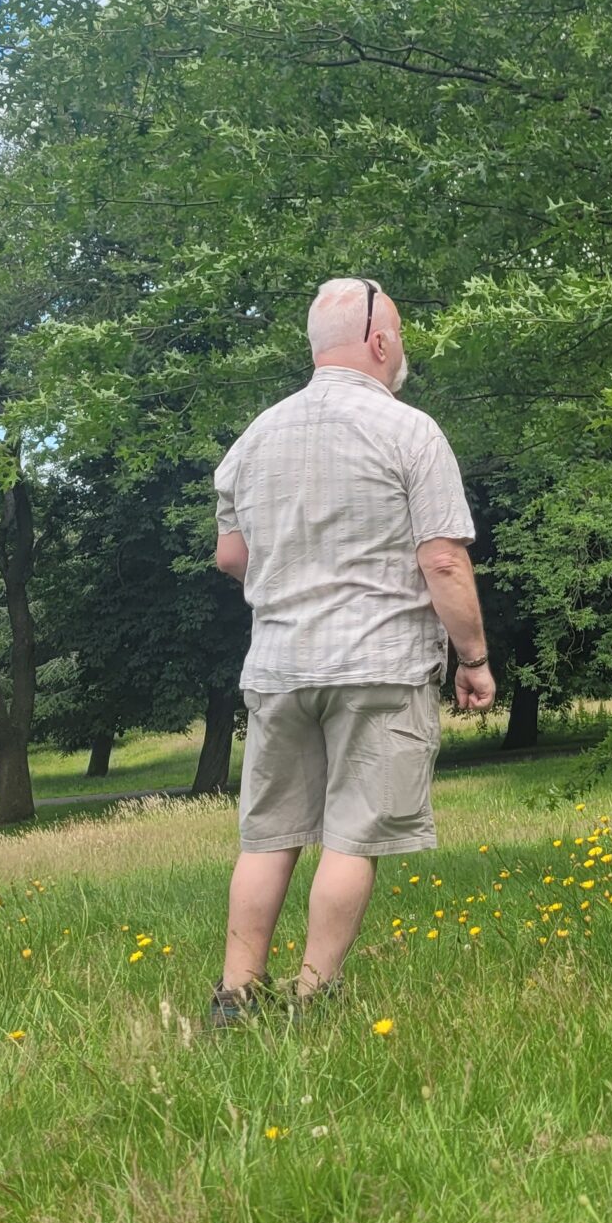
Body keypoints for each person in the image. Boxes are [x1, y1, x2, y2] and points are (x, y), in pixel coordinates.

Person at [206, 278, 498, 1026]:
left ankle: (236, 996)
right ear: (380, 343)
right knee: (352, 837)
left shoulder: (253, 440)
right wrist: (472, 659)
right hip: (380, 663)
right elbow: (443, 562)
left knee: (268, 836)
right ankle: (312, 996)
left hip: (278, 667)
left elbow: (230, 557)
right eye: (400, 335)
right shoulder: (409, 431)